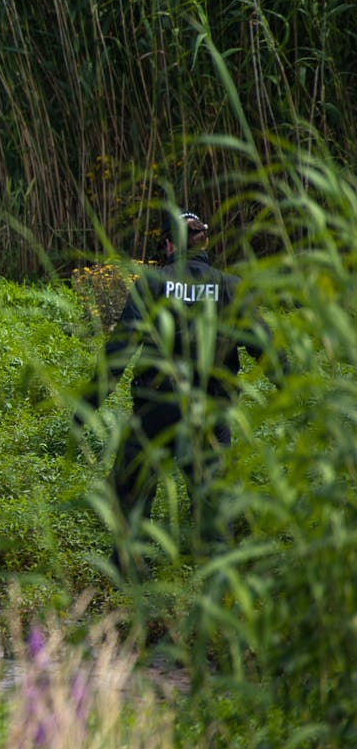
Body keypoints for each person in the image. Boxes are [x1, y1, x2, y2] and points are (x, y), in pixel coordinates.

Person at [88, 208, 260, 574]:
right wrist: (290, 387)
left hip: (156, 412)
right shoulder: (231, 286)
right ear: (205, 241)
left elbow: (120, 350)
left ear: (168, 245)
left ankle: (128, 581)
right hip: (210, 413)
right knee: (214, 508)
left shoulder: (152, 282)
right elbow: (266, 347)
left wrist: (86, 405)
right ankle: (218, 591)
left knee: (130, 491)